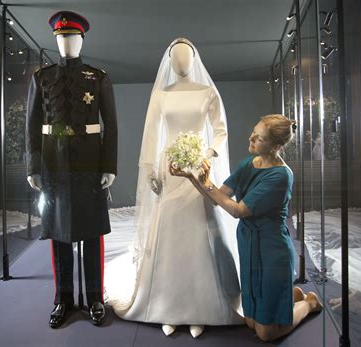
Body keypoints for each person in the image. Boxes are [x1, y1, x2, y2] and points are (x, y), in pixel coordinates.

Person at [105, 38, 242, 338]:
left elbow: (220, 130)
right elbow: (152, 133)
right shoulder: (161, 95)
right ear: (170, 60)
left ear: (194, 58)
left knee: (198, 235)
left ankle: (200, 309)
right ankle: (168, 307)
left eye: (185, 55)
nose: (180, 60)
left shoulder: (207, 92)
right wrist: (152, 169)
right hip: (171, 169)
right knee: (169, 235)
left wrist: (207, 155)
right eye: (175, 55)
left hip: (199, 169)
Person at [170, 114, 323, 342]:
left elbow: (238, 210)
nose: (251, 138)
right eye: (253, 131)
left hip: (272, 248)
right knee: (250, 321)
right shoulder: (247, 164)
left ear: (276, 146)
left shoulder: (281, 175)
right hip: (249, 242)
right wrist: (191, 176)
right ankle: (290, 295)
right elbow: (217, 197)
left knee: (265, 333)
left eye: (259, 137)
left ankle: (309, 302)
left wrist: (206, 182)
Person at [25, 11, 118, 328]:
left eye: (72, 37)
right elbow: (32, 125)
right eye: (61, 38)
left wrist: (109, 166)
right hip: (54, 164)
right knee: (60, 234)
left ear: (82, 39)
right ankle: (63, 300)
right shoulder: (42, 78)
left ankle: (94, 299)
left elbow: (112, 126)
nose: (67, 43)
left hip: (91, 164)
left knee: (91, 233)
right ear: (56, 40)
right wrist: (32, 167)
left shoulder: (98, 76)